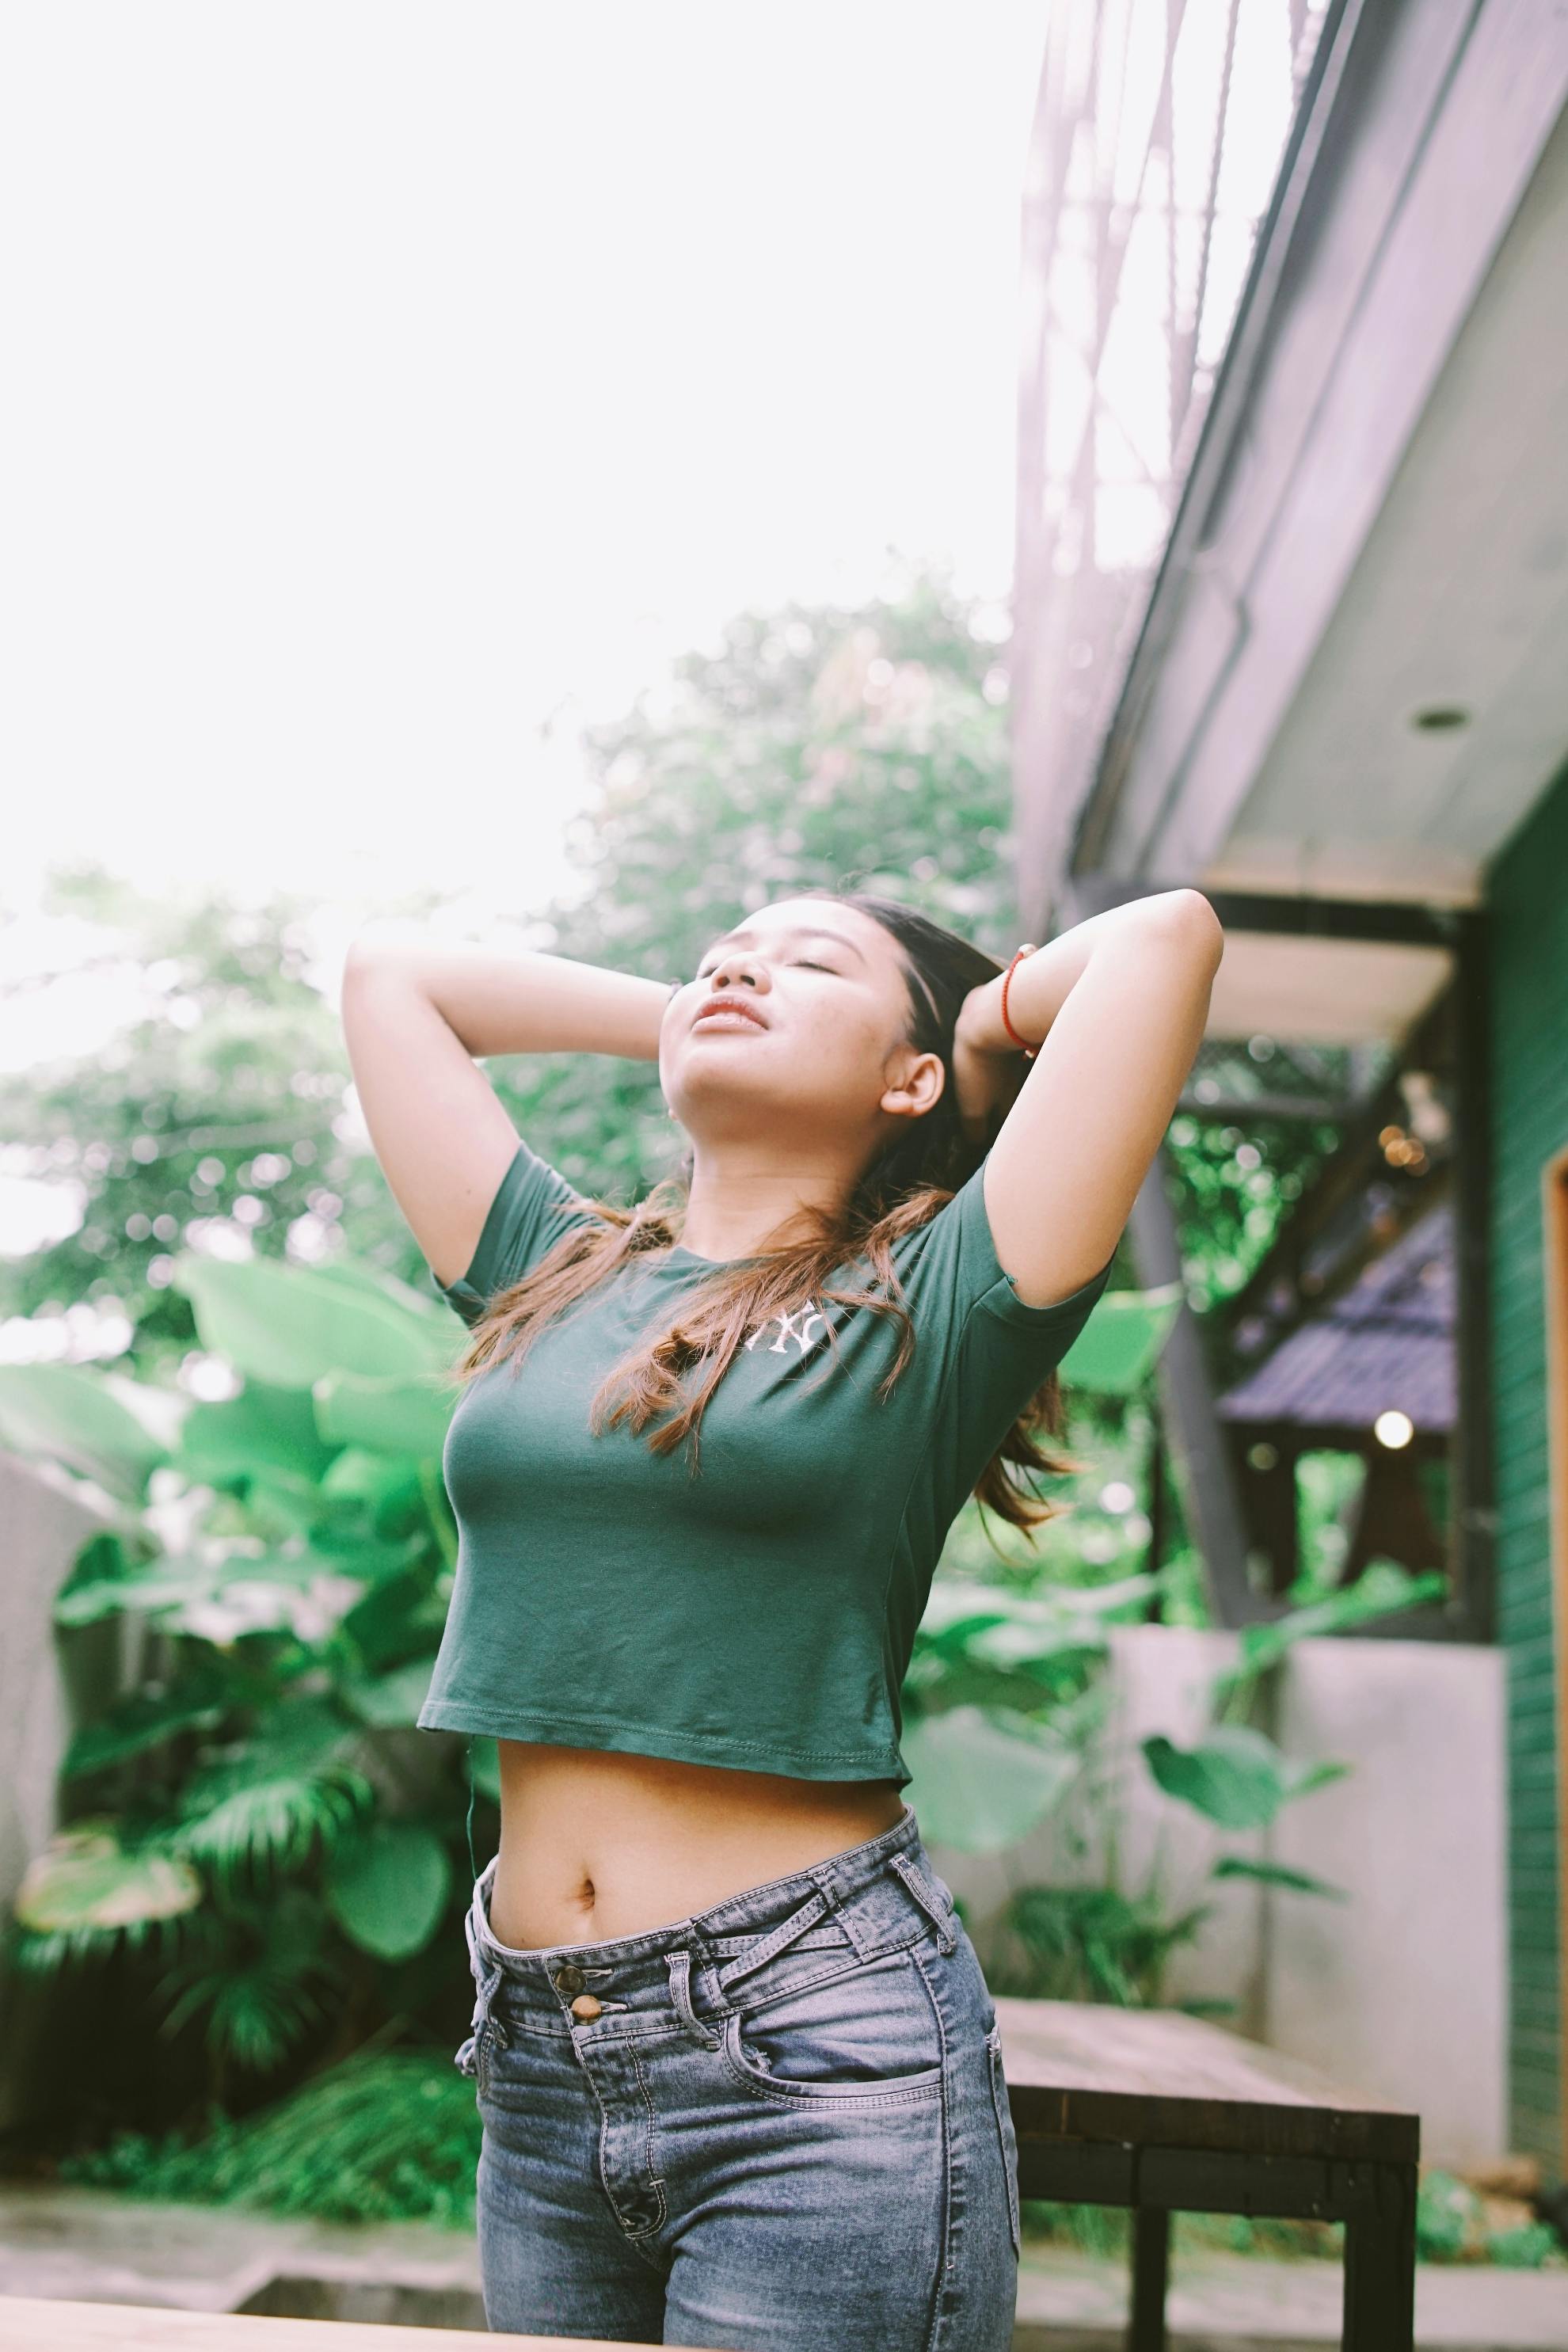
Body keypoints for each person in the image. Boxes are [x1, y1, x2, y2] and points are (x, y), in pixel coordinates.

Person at [341, 883, 1223, 2350]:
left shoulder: (943, 1298)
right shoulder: (555, 1273)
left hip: (817, 2055)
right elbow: (390, 973)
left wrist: (980, 1025)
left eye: (809, 961)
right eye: (718, 958)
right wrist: (705, 1005)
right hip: (545, 2057)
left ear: (913, 1077)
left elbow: (1166, 938)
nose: (740, 966)